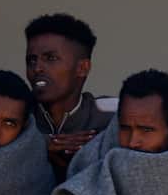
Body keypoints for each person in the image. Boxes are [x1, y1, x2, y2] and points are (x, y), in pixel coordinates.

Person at [25, 13, 114, 179]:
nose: (37, 68)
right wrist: (39, 144)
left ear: (82, 68)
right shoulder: (14, 113)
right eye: (31, 60)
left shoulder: (110, 116)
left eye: (50, 58)